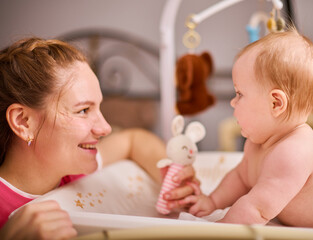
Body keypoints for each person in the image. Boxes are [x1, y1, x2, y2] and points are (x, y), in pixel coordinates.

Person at [0, 37, 196, 239]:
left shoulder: (72, 168)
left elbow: (133, 139)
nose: (106, 128)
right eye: (83, 110)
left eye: (98, 108)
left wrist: (173, 177)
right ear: (23, 121)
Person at [182, 27, 313, 228]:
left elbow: (257, 209)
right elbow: (240, 177)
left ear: (276, 104)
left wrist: (220, 228)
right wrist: (213, 201)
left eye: (239, 94)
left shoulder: (294, 151)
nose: (233, 102)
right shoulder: (257, 143)